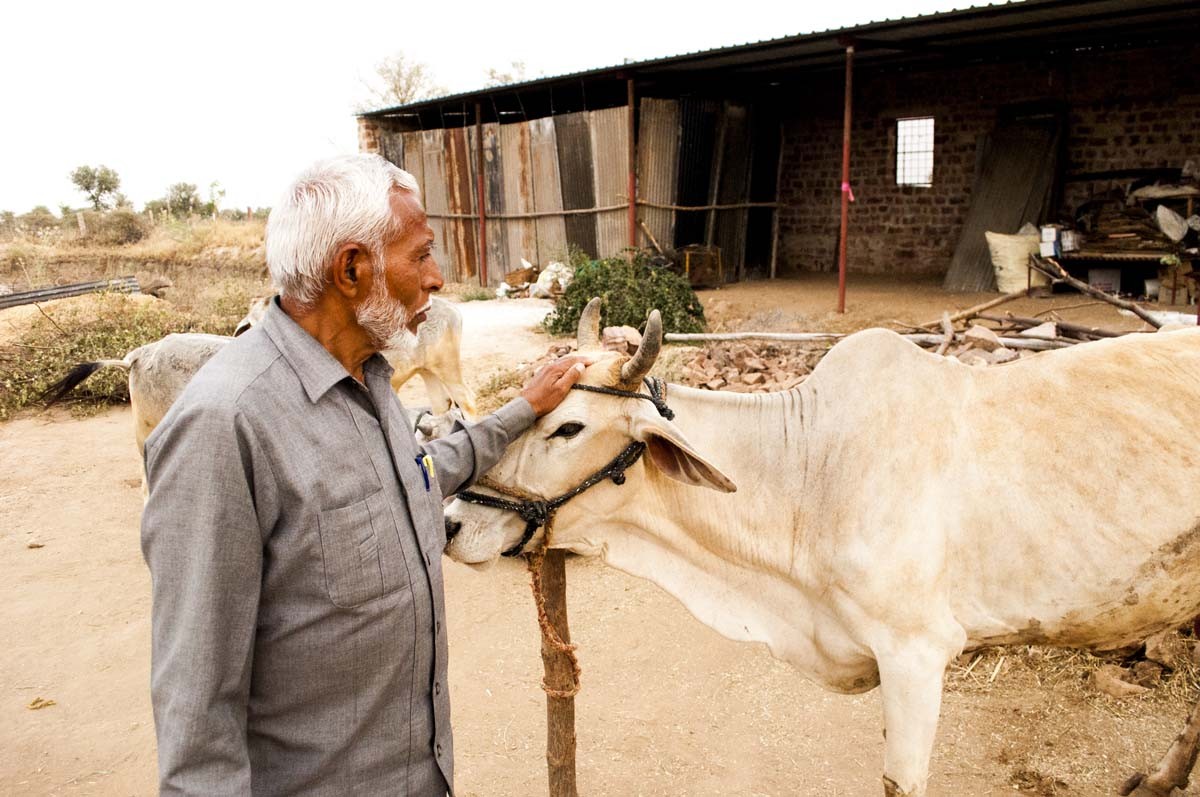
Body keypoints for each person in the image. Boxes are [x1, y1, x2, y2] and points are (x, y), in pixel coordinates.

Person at [140, 153, 587, 796]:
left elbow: (421, 474)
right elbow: (197, 707)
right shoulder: (224, 425)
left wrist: (523, 409)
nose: (436, 278)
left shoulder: (370, 381)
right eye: (421, 254)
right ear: (353, 269)